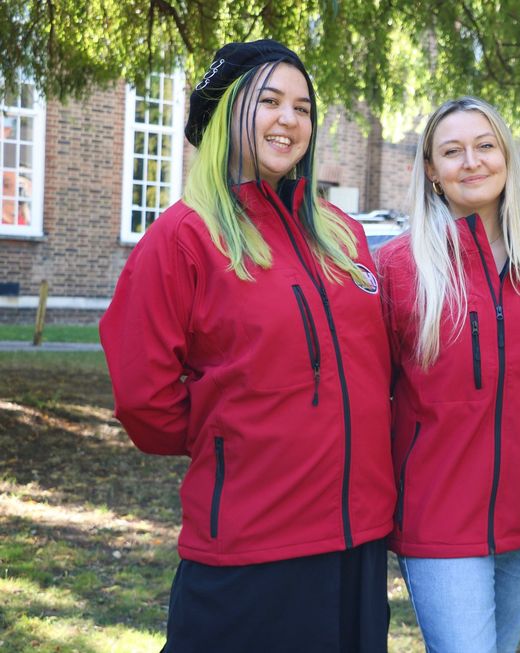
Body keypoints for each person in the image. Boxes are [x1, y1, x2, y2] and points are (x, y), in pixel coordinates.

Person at [99, 39, 395, 652]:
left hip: (358, 538)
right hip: (252, 545)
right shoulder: (183, 237)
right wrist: (232, 438)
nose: (289, 119)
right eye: (269, 101)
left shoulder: (343, 235)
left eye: (303, 107)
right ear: (224, 111)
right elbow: (143, 398)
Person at [375, 97, 520, 653]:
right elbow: (374, 394)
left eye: (485, 146)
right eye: (452, 151)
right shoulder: (399, 269)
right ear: (431, 170)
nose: (471, 162)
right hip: (439, 517)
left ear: (506, 157)